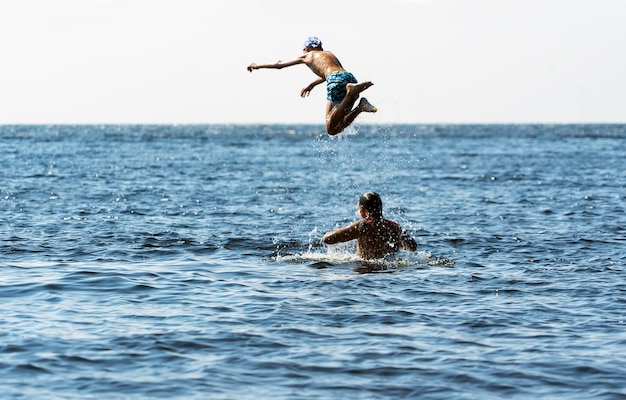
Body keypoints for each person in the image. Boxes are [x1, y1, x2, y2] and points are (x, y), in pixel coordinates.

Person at [247, 36, 377, 135]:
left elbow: (279, 65)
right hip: (349, 78)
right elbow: (331, 73)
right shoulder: (329, 54)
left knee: (330, 128)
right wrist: (312, 84)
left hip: (336, 80)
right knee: (337, 125)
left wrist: (257, 66)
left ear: (307, 49)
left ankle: (351, 95)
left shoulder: (307, 55)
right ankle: (360, 106)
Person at [322, 192, 418, 260]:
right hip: (389, 272)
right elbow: (413, 247)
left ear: (363, 209)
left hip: (365, 268)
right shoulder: (394, 227)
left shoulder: (362, 226)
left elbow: (328, 239)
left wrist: (327, 234)